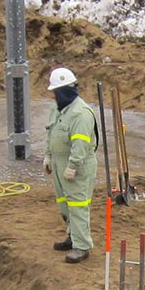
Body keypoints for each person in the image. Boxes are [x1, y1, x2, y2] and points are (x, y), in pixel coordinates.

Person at [42, 66, 97, 264]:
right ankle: (73, 237)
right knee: (65, 204)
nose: (53, 97)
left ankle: (82, 246)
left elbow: (81, 143)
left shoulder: (80, 113)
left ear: (65, 91)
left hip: (77, 165)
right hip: (59, 162)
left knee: (78, 205)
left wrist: (73, 165)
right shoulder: (58, 109)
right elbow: (51, 133)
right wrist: (48, 156)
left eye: (56, 93)